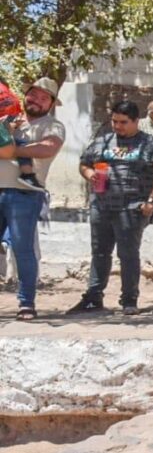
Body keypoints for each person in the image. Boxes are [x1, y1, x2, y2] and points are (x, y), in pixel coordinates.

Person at [70, 100, 153, 316]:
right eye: (115, 121)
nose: (117, 126)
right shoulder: (102, 141)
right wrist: (90, 175)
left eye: (123, 122)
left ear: (136, 121)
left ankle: (129, 300)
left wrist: (152, 202)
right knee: (99, 253)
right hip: (101, 206)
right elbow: (84, 163)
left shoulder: (151, 144)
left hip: (132, 208)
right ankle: (93, 297)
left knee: (128, 254)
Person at [0, 78, 66, 320]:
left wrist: (11, 151)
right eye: (34, 94)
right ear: (25, 95)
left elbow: (48, 148)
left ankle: (26, 303)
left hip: (25, 194)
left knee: (22, 249)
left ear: (50, 104)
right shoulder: (7, 119)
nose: (37, 100)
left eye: (44, 97)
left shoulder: (53, 126)